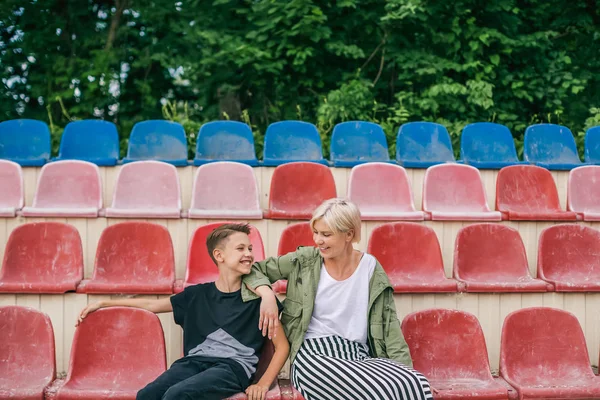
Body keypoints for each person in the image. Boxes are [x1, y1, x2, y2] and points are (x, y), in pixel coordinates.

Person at [242, 199, 433, 400]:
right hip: (314, 356)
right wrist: (266, 294)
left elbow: (389, 326)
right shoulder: (305, 260)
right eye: (316, 232)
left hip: (358, 355)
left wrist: (402, 371)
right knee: (378, 390)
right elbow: (254, 270)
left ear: (349, 234)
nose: (318, 240)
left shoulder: (370, 268)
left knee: (415, 382)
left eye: (326, 234)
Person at [77, 223, 289, 400]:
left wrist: (262, 384)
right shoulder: (195, 295)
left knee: (178, 395)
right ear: (219, 255)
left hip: (233, 368)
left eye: (250, 249)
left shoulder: (258, 300)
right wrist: (103, 302)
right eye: (241, 248)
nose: (249, 254)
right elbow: (153, 306)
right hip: (193, 363)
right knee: (147, 395)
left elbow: (281, 346)